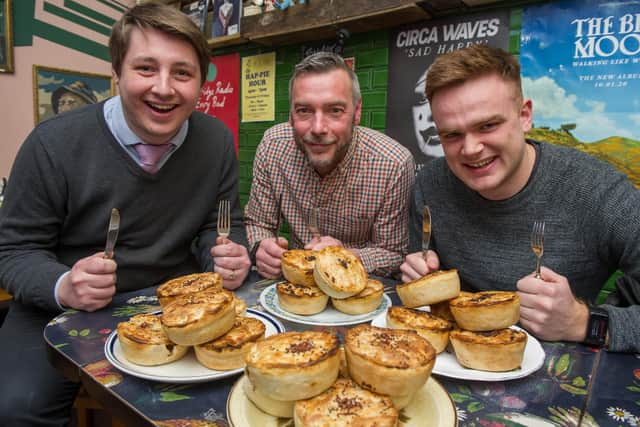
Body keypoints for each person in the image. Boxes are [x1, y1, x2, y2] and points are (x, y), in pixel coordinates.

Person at [0, 4, 250, 426]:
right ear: (117, 71)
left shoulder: (217, 141)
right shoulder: (52, 144)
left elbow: (221, 226)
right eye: (146, 68)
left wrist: (224, 255)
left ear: (201, 83)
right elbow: (13, 252)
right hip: (61, 310)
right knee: (17, 408)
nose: (164, 88)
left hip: (173, 302)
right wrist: (63, 285)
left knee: (227, 394)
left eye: (183, 73)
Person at [400, 44, 640, 353]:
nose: (471, 149)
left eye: (488, 125)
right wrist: (421, 276)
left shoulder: (599, 190)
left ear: (524, 116)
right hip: (453, 359)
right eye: (452, 135)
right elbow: (420, 277)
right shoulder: (430, 183)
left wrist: (583, 322)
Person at [244, 52, 415, 279]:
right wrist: (261, 247)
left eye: (335, 110)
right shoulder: (273, 147)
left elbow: (395, 253)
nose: (318, 128)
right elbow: (257, 222)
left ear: (357, 112)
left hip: (359, 290)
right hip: (296, 288)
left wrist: (345, 256)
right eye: (304, 110)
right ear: (291, 114)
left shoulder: (394, 164)